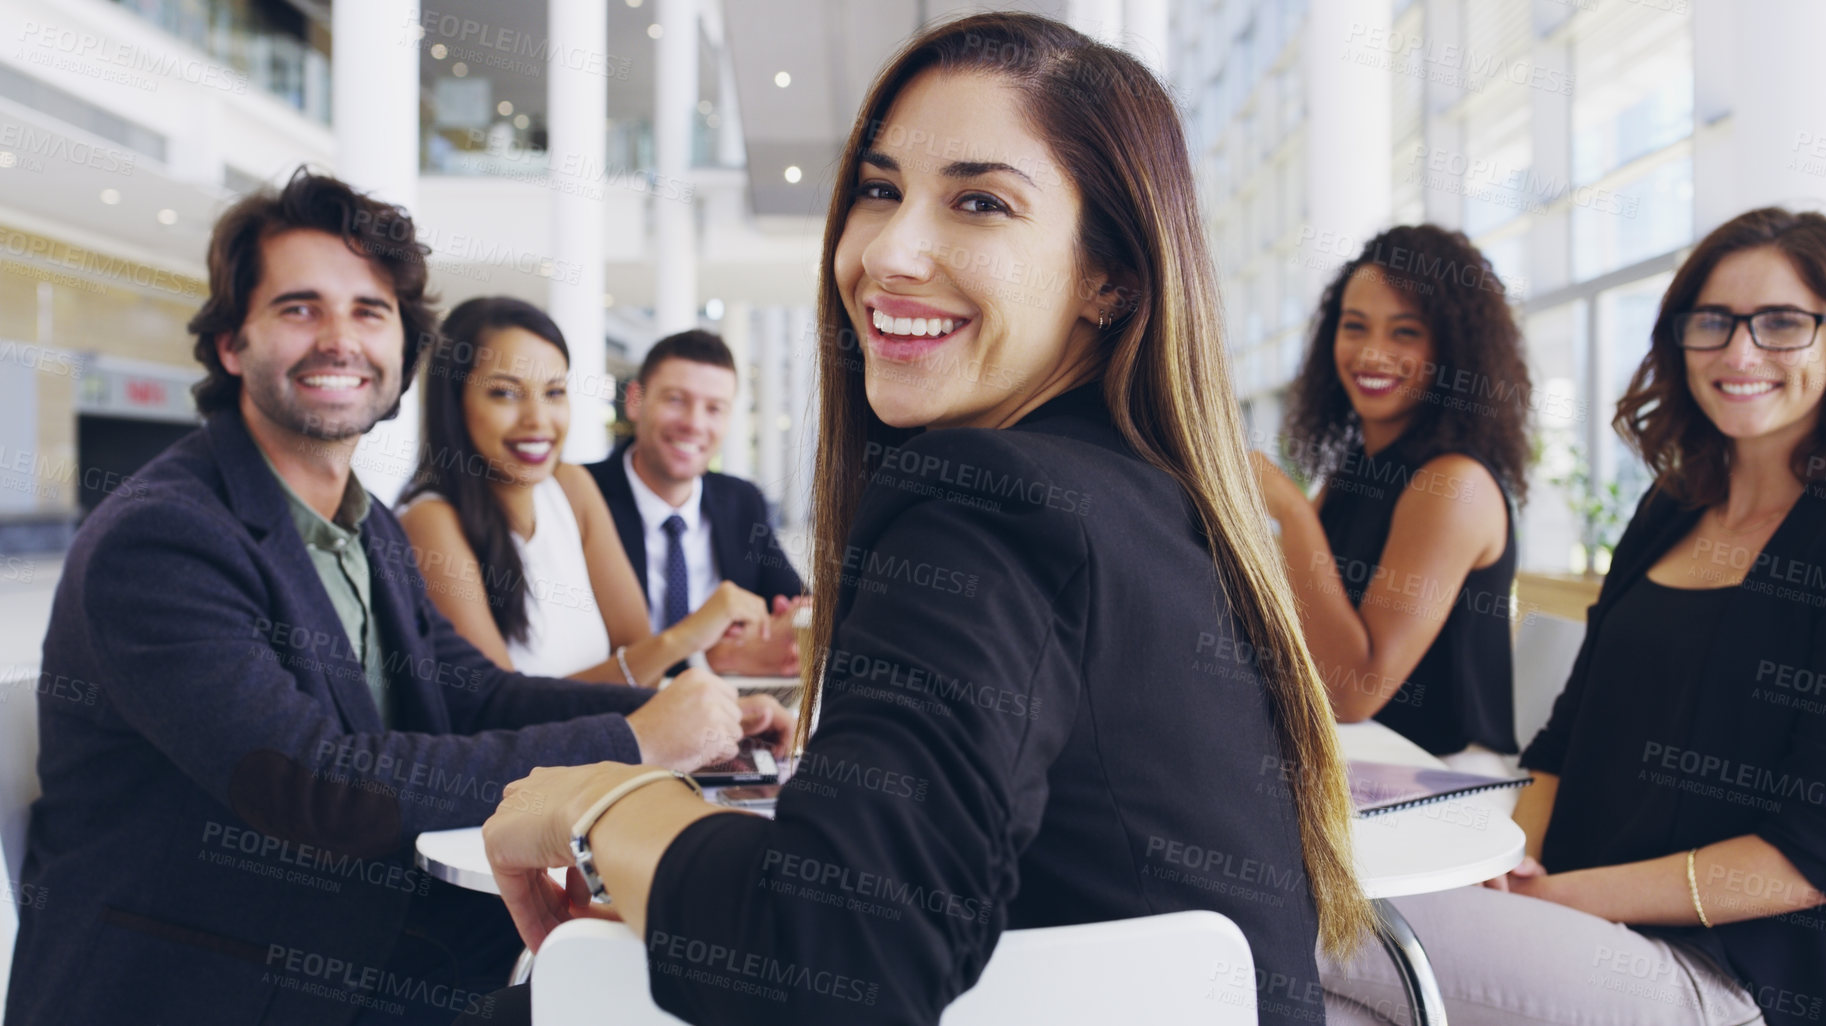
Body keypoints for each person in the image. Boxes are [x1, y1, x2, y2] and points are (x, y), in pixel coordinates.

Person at [478, 12, 1371, 1026]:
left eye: (980, 203)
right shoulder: (1153, 496)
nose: (889, 253)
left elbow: (840, 951)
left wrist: (606, 805)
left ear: (1110, 277)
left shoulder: (985, 494)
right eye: (878, 190)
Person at [2, 169, 790, 1026]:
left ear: (403, 353)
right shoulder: (161, 540)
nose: (339, 339)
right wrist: (632, 740)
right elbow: (313, 787)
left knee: (668, 966)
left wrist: (693, 716)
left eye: (370, 312)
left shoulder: (364, 526)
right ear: (232, 344)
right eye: (300, 308)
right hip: (213, 978)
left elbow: (474, 690)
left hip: (366, 937)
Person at [1321, 208, 1826, 1025]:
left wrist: (1557, 897)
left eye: (1782, 324)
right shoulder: (1670, 509)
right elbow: (1563, 739)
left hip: (1737, 974)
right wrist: (1512, 865)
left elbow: (1813, 858)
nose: (1739, 352)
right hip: (1581, 912)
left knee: (1314, 916)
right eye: (1712, 322)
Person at [1254, 226, 1531, 769]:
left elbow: (1355, 691)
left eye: (1405, 332)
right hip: (1356, 754)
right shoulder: (1356, 470)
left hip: (1442, 777)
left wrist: (1289, 510)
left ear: (1452, 349)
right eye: (1354, 327)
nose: (1372, 353)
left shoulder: (1454, 484)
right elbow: (1298, 623)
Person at [397, 297, 772, 682]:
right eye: (506, 393)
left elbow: (638, 655)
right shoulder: (430, 521)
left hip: (627, 734)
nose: (538, 419)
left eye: (554, 392)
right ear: (454, 404)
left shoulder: (571, 487)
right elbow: (499, 708)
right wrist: (685, 638)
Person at [585, 330, 805, 676]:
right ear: (634, 401)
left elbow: (794, 603)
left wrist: (794, 623)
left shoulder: (742, 500)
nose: (694, 424)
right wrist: (707, 658)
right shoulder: (583, 495)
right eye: (675, 399)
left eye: (715, 408)